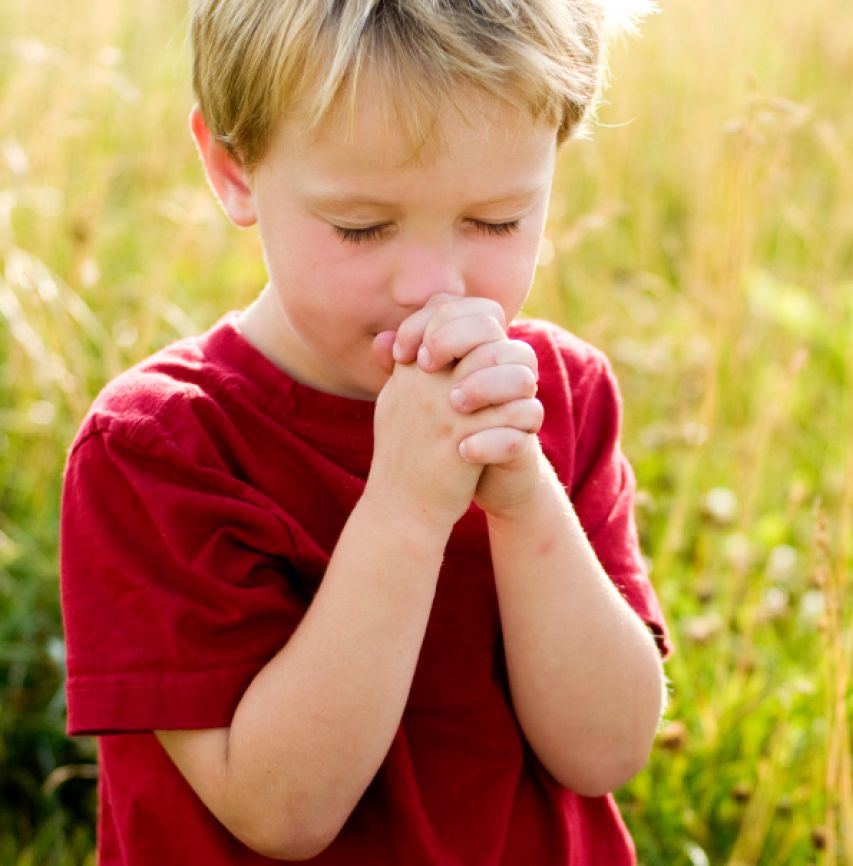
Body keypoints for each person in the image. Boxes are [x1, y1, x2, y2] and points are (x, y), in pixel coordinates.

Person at [59, 0, 671, 863]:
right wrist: (408, 509)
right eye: (361, 227)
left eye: (495, 219)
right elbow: (280, 814)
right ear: (233, 172)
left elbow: (606, 750)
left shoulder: (559, 398)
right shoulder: (160, 447)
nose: (432, 282)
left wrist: (526, 499)